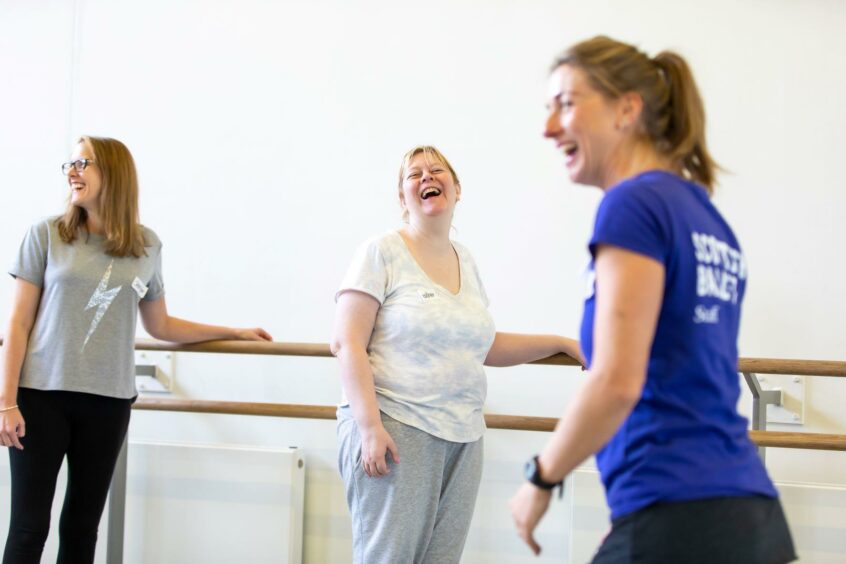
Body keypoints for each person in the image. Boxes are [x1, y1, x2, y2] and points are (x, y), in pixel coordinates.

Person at [509, 36, 796, 563]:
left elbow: (617, 380)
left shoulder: (632, 205)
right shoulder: (708, 219)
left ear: (627, 108)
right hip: (747, 515)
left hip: (679, 509)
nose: (548, 128)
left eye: (566, 104)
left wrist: (541, 477)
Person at [0, 135, 272, 564]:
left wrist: (233, 331)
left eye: (83, 163)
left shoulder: (146, 245)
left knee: (81, 528)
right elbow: (18, 322)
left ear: (114, 172)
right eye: (69, 164)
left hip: (108, 403)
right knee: (30, 527)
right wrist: (6, 402)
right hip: (40, 398)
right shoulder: (46, 235)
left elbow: (160, 324)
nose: (72, 171)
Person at [331, 145, 582, 564]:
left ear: (457, 188)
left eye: (436, 170)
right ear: (402, 198)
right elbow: (346, 342)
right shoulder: (381, 252)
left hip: (463, 436)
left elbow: (482, 346)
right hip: (397, 427)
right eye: (414, 174)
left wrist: (560, 342)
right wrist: (369, 427)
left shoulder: (465, 259)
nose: (427, 177)